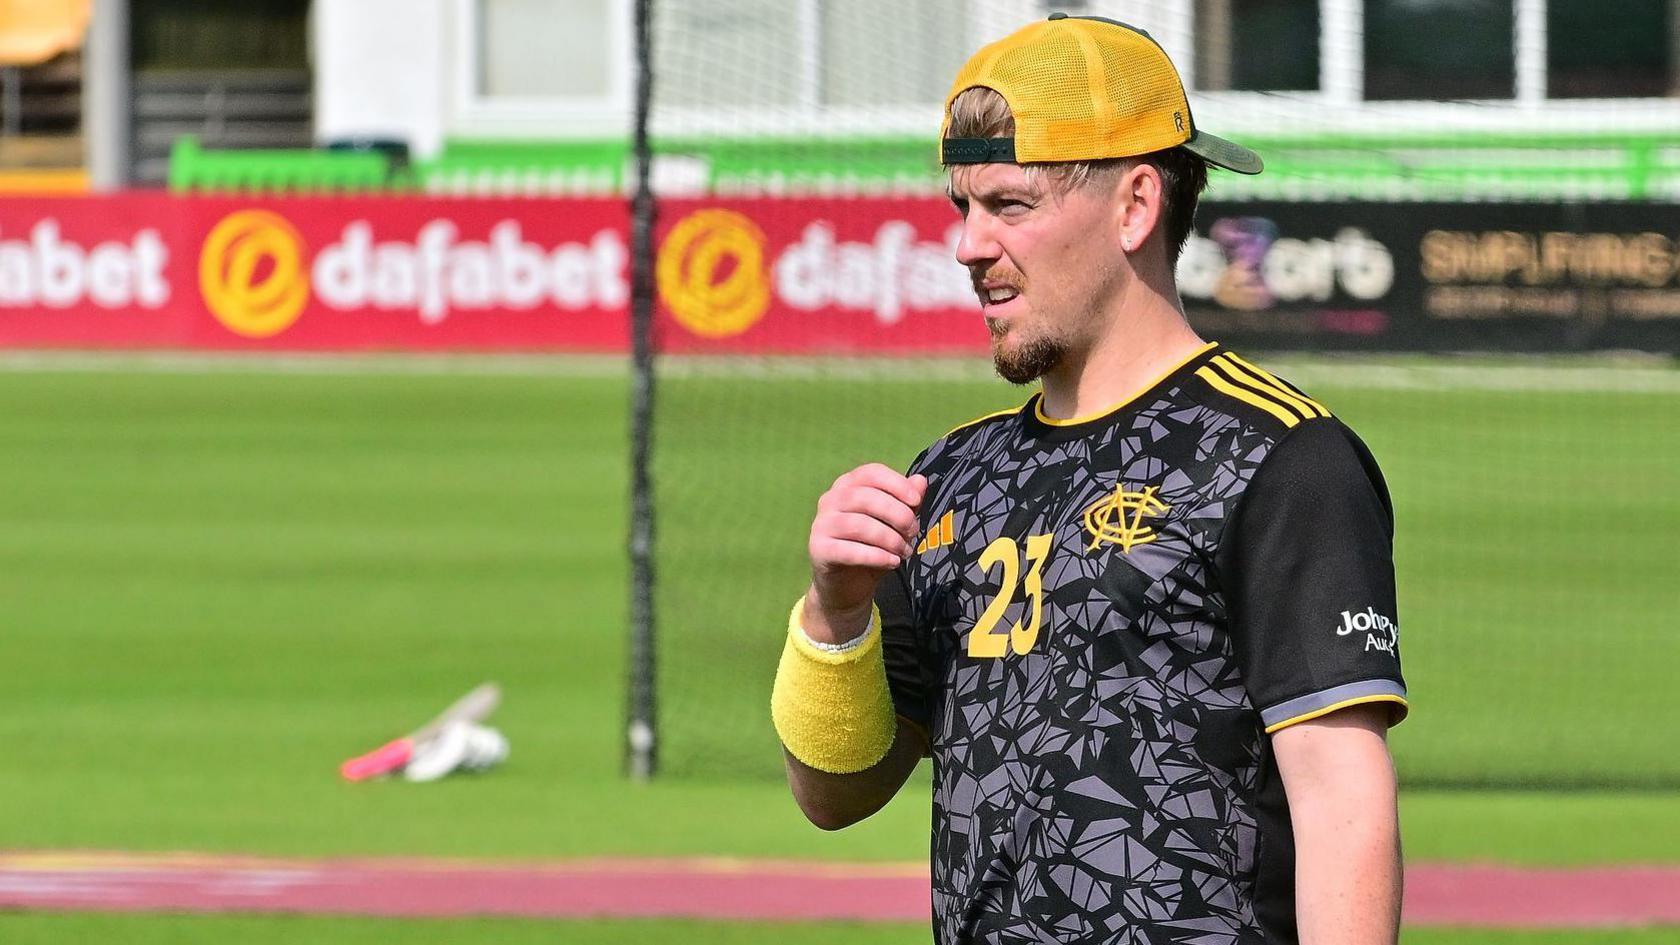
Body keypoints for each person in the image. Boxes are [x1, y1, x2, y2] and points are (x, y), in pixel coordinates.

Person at [770, 14, 1407, 945]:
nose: (969, 247)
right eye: (964, 207)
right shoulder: (950, 477)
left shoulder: (1277, 456)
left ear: (1135, 205)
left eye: (1010, 205)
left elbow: (1342, 794)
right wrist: (836, 616)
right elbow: (834, 795)